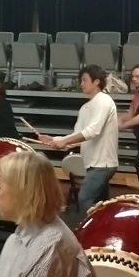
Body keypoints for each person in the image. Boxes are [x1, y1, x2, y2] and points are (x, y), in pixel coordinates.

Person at [40, 66, 119, 213]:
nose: (81, 84)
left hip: (103, 163)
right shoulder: (85, 108)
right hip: (93, 163)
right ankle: (102, 231)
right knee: (101, 204)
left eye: (84, 80)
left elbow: (92, 131)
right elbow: (78, 135)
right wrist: (55, 139)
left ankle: (89, 233)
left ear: (96, 82)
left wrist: (64, 142)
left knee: (85, 199)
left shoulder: (104, 101)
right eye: (80, 80)